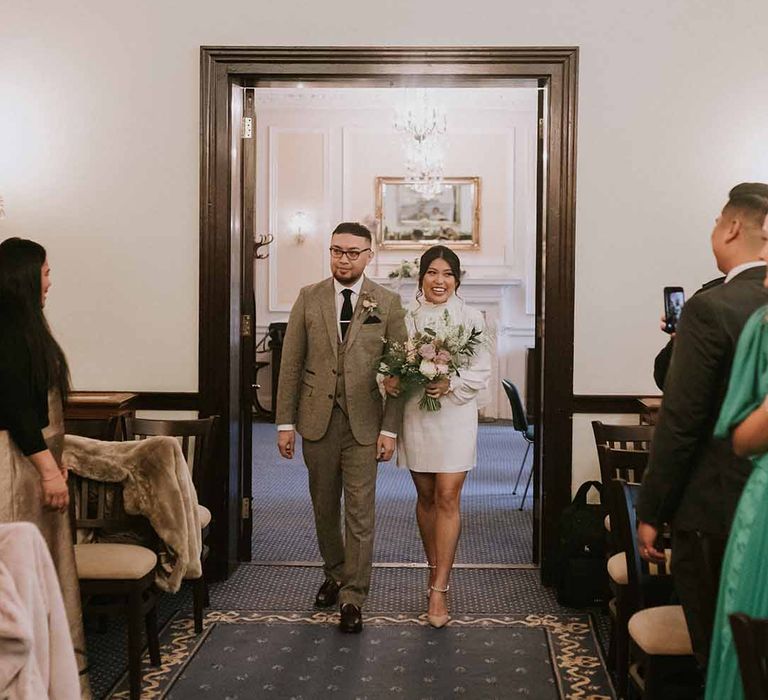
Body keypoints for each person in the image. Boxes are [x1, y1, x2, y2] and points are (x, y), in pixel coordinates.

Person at [636, 190, 768, 681]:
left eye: (717, 221)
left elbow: (681, 421)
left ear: (733, 229)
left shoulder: (713, 306)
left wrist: (652, 511)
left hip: (717, 510)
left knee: (723, 656)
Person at [275, 222, 407, 633]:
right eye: (336, 251)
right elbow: (291, 363)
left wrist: (390, 430)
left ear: (369, 255)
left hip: (364, 425)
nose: (343, 259)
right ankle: (333, 573)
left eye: (352, 252)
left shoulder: (387, 303)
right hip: (316, 422)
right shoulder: (308, 298)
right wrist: (284, 422)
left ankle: (353, 596)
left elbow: (400, 372)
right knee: (324, 507)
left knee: (360, 513)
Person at [383, 245, 490, 628]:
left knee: (448, 495)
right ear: (421, 278)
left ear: (457, 280)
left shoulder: (471, 317)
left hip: (455, 417)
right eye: (432, 272)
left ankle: (439, 589)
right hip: (418, 414)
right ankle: (435, 569)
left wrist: (451, 382)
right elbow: (389, 362)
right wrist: (393, 377)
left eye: (446, 274)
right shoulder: (406, 318)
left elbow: (482, 371)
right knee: (426, 496)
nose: (439, 281)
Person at [0, 237, 89, 693]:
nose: (51, 281)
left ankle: (51, 665)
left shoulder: (26, 327)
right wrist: (49, 470)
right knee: (21, 570)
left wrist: (57, 462)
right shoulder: (7, 331)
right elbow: (17, 410)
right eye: (47, 272)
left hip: (38, 461)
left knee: (45, 566)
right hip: (16, 468)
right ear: (24, 277)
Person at [653, 183, 768, 391]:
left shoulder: (708, 304)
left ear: (733, 229)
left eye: (719, 222)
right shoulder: (710, 295)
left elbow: (675, 393)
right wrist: (684, 336)